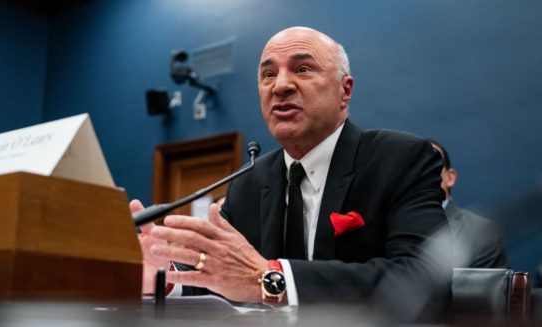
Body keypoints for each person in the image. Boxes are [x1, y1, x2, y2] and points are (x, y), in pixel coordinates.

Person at [131, 26, 451, 320]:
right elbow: (222, 276)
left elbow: (424, 280)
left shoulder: (400, 159)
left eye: (302, 68)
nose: (281, 85)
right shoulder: (248, 183)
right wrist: (166, 275)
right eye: (268, 75)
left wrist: (271, 279)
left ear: (345, 90)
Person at [429, 140, 508, 268]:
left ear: (450, 177)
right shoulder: (390, 227)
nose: (422, 175)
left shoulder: (480, 233)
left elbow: (492, 286)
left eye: (431, 167)